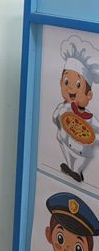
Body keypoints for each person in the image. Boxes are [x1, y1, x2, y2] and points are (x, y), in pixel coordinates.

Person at [53, 36, 99, 183]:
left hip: (81, 147)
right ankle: (70, 167)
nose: (71, 87)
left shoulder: (90, 118)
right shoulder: (66, 107)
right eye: (66, 82)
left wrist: (94, 137)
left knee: (81, 157)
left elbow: (97, 129)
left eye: (78, 84)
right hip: (65, 139)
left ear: (89, 95)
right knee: (65, 147)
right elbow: (56, 116)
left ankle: (76, 171)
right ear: (61, 82)